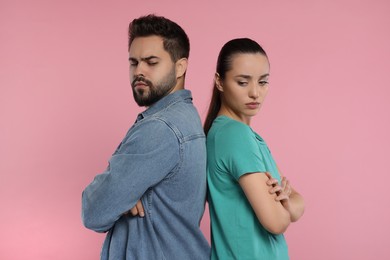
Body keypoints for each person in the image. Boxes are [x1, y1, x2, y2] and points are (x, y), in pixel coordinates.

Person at [82, 14, 210, 259]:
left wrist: (118, 195)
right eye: (134, 62)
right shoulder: (186, 118)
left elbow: (94, 210)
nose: (139, 71)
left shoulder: (160, 128)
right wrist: (124, 194)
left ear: (180, 66)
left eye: (151, 62)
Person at [204, 38, 305, 259]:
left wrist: (285, 204)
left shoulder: (247, 137)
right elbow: (276, 222)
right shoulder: (234, 135)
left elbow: (298, 203)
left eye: (263, 82)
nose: (255, 93)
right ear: (219, 82)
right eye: (242, 82)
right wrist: (285, 208)